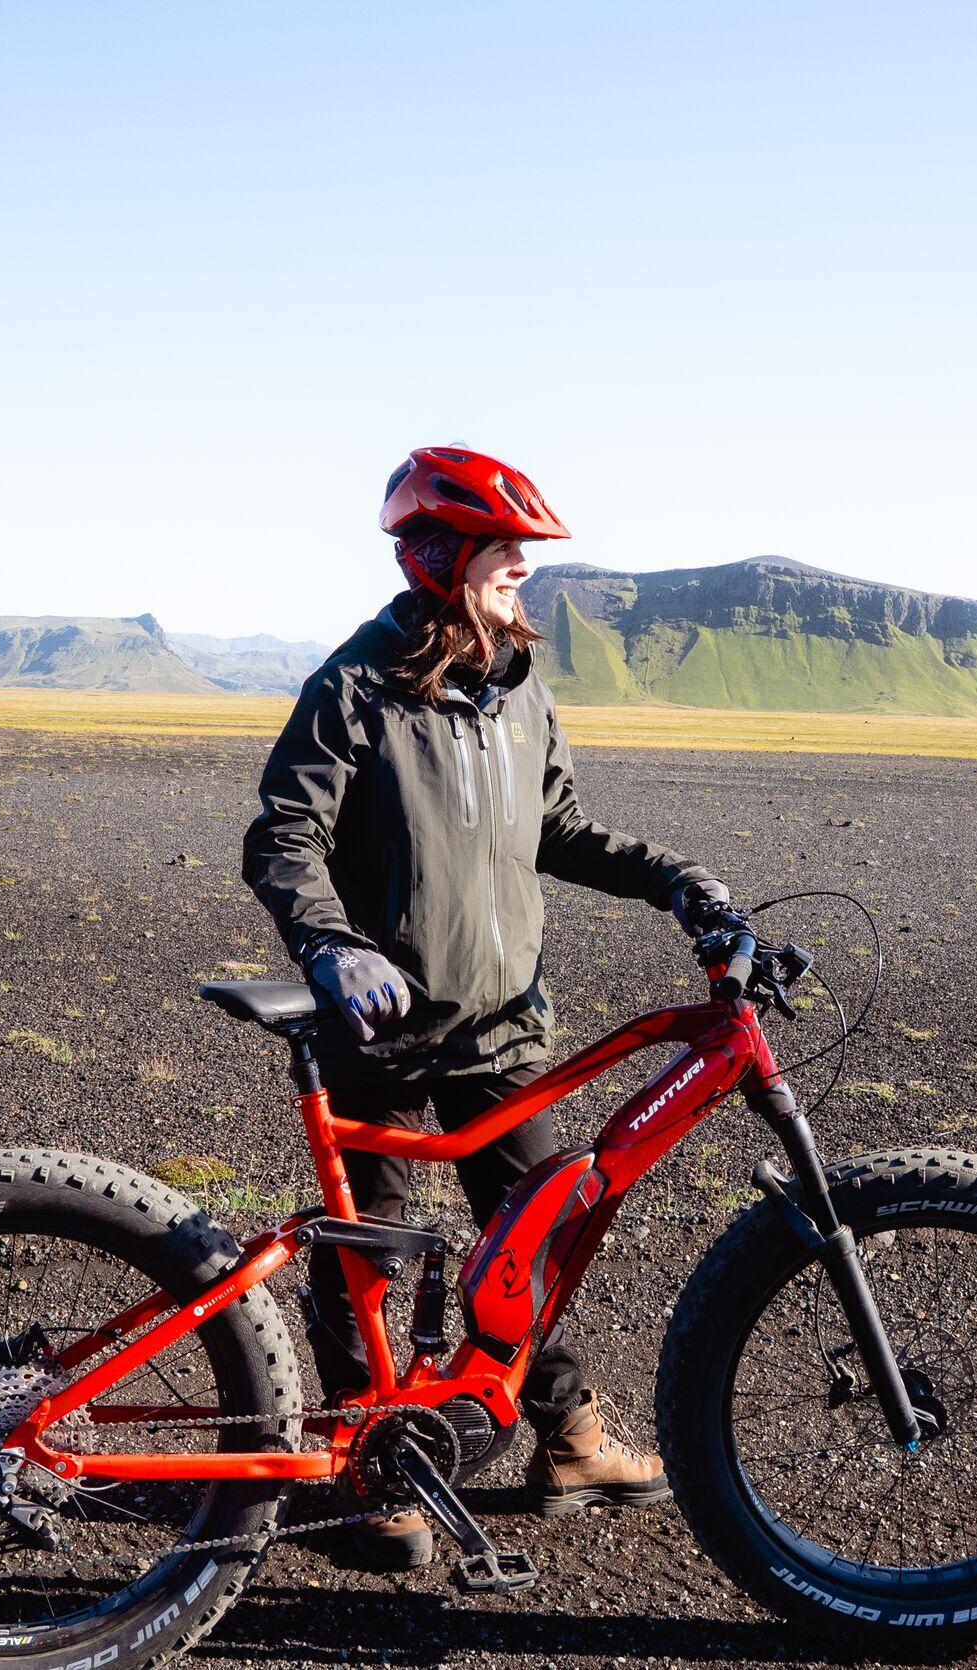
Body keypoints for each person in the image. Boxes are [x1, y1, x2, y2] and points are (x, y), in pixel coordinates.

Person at [241, 444, 737, 1571]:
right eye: (503, 555)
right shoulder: (355, 684)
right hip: (377, 1027)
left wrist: (674, 878)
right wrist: (329, 945)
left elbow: (559, 828)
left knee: (538, 1236)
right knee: (367, 1257)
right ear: (434, 557)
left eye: (521, 556)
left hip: (500, 1028)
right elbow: (283, 836)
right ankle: (378, 1472)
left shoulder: (517, 689)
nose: (521, 572)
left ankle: (565, 1439)